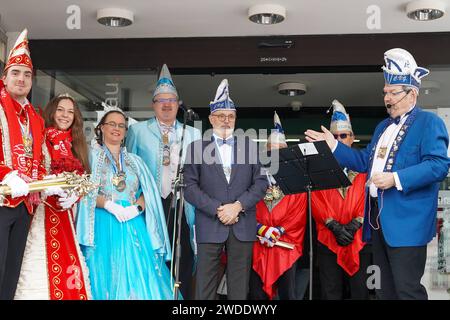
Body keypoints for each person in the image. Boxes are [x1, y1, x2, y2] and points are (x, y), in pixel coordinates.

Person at [305, 48, 450, 299]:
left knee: (407, 290)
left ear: (412, 94)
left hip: (408, 225)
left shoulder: (430, 122)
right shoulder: (383, 126)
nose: (388, 98)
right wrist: (333, 146)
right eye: (385, 93)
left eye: (394, 93)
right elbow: (363, 162)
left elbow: (438, 165)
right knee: (385, 292)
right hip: (377, 225)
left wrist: (395, 179)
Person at [76, 107, 175, 300]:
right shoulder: (90, 156)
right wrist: (107, 204)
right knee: (106, 273)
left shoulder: (136, 161)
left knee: (138, 276)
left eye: (121, 125)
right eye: (112, 124)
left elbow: (149, 194)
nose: (117, 128)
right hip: (103, 223)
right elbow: (83, 192)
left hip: (133, 224)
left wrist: (136, 208)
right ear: (101, 128)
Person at [184, 79, 268, 300]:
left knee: (239, 288)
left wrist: (238, 206)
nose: (226, 120)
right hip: (210, 222)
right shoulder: (196, 148)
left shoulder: (250, 146)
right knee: (205, 285)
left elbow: (261, 183)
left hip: (243, 223)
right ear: (211, 119)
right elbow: (189, 187)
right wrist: (219, 208)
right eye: (221, 116)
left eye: (230, 116)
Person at [126, 64, 200, 299]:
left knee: (183, 258)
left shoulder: (193, 133)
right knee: (152, 258)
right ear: (153, 105)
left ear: (178, 104)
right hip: (151, 204)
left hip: (183, 204)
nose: (167, 104)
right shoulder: (138, 131)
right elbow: (129, 168)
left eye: (172, 100)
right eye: (161, 100)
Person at [14, 93, 92, 300]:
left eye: (70, 112)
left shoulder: (76, 145)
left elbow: (83, 179)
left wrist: (76, 195)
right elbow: (31, 172)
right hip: (41, 212)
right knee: (38, 262)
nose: (65, 115)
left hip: (66, 216)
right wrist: (47, 188)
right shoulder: (39, 138)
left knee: (68, 259)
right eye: (60, 110)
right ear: (52, 112)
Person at [0, 29, 48, 300]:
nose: (21, 79)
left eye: (27, 75)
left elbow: (39, 160)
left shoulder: (36, 118)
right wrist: (6, 176)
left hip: (25, 206)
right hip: (1, 201)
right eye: (16, 73)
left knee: (11, 274)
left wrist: (50, 185)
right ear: (5, 77)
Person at [310, 100, 371, 300]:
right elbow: (316, 200)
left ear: (352, 138)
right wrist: (334, 226)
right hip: (328, 239)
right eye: (334, 136)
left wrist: (355, 224)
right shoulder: (318, 167)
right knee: (330, 292)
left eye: (343, 136)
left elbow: (369, 196)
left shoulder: (365, 165)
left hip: (359, 240)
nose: (339, 139)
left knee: (360, 292)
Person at [249, 112, 307, 300]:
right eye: (271, 149)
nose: (275, 154)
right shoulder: (253, 177)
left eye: (280, 149)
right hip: (258, 244)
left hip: (286, 246)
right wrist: (260, 229)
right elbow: (247, 205)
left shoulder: (298, 179)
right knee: (257, 295)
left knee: (288, 294)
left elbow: (299, 213)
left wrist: (278, 231)